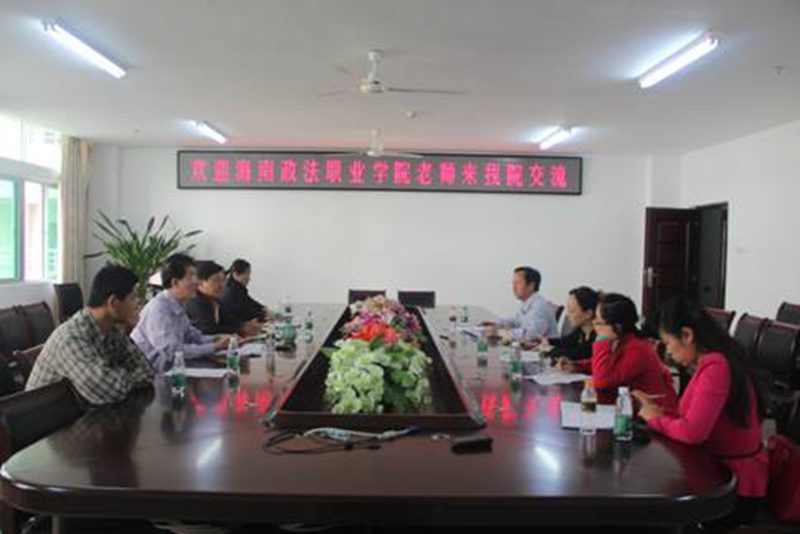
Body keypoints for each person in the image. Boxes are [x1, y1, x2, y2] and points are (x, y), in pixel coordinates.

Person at [634, 297, 768, 529]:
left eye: (668, 343)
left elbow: (693, 433)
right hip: (718, 473)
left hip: (732, 489)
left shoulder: (716, 366)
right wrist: (659, 411)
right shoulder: (715, 360)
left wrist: (655, 419)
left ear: (687, 335)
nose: (667, 351)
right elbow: (696, 415)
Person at [26, 265, 154, 405]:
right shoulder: (72, 338)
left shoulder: (113, 330)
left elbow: (146, 370)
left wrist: (118, 376)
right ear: (113, 303)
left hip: (82, 411)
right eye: (132, 298)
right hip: (45, 416)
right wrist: (127, 376)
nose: (138, 303)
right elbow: (107, 391)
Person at [558, 292, 678, 410]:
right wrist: (576, 366)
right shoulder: (623, 340)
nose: (594, 323)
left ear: (617, 327)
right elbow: (610, 365)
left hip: (654, 414)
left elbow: (601, 381)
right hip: (631, 408)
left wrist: (601, 340)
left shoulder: (638, 349)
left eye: (599, 321)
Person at [131, 254, 231, 373]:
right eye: (191, 276)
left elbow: (193, 337)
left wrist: (217, 338)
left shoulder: (178, 304)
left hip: (175, 369)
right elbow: (171, 352)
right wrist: (215, 346)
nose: (197, 282)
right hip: (155, 375)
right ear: (175, 282)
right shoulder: (159, 310)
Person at [482, 266, 558, 342]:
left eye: (518, 283)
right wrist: (495, 323)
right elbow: (516, 321)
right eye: (513, 283)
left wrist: (498, 333)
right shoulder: (528, 303)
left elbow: (530, 335)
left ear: (531, 285)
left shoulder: (539, 307)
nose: (514, 288)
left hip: (544, 348)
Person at [186, 261, 260, 337]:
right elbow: (208, 330)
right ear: (200, 283)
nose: (222, 285)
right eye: (216, 280)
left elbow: (227, 318)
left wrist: (244, 325)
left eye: (223, 280)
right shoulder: (196, 302)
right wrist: (240, 330)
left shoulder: (215, 299)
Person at [537, 286, 598, 360]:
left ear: (588, 313)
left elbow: (574, 354)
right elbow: (566, 342)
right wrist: (546, 341)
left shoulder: (597, 337)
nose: (568, 315)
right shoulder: (581, 330)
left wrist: (548, 348)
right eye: (567, 310)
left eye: (572, 310)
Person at [220, 258, 267, 324]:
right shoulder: (232, 290)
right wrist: (263, 315)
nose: (249, 278)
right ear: (236, 274)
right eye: (247, 274)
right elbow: (245, 311)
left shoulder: (238, 288)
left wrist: (263, 308)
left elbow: (250, 301)